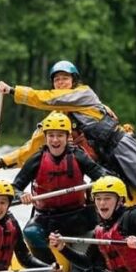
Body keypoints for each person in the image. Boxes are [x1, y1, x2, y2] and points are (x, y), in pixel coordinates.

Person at [0, 60, 136, 196]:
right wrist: (1, 163)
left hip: (120, 146)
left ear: (74, 81)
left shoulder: (84, 94)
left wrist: (12, 91)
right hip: (101, 162)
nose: (60, 83)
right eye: (57, 80)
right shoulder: (56, 119)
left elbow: (46, 99)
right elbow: (33, 147)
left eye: (65, 79)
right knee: (114, 195)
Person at [11, 111, 110, 264]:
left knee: (103, 229)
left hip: (78, 216)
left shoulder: (78, 156)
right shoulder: (36, 159)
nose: (55, 140)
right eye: (51, 135)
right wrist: (21, 195)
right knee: (30, 232)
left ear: (67, 137)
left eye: (60, 135)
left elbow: (102, 176)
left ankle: (89, 266)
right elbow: (14, 188)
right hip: (47, 218)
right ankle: (52, 269)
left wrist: (103, 183)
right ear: (46, 137)